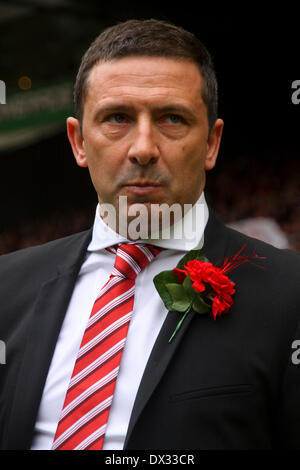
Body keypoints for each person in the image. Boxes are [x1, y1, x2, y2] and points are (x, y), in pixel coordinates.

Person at [1, 19, 300, 451]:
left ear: (213, 143)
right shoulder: (6, 288)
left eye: (172, 118)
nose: (143, 147)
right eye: (117, 117)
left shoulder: (289, 294)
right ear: (78, 141)